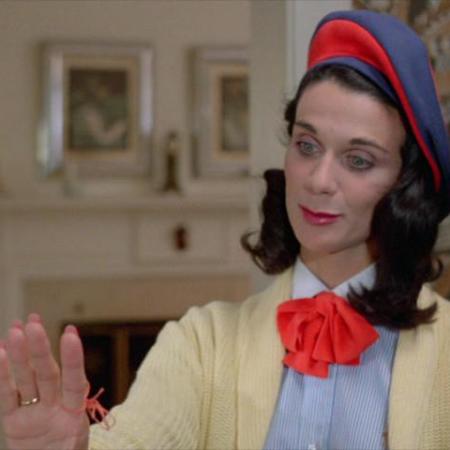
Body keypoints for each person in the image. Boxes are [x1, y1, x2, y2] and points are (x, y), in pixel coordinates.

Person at [1, 9, 450, 450]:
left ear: (405, 184)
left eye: (358, 160)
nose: (318, 180)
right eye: (307, 145)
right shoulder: (202, 343)